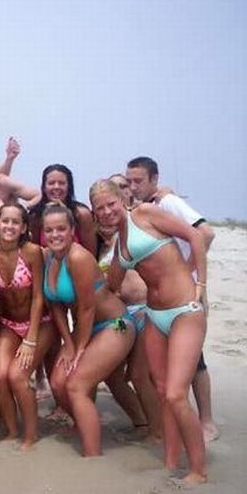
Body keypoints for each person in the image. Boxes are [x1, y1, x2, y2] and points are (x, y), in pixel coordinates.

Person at [90, 179, 208, 485]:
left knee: (176, 394)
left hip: (184, 311)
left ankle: (198, 470)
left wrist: (199, 282)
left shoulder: (144, 214)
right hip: (154, 316)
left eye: (110, 203)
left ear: (121, 199)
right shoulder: (120, 244)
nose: (107, 211)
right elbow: (112, 285)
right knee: (162, 391)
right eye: (100, 208)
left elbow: (196, 235)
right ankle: (171, 460)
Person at [126, 156, 219, 443]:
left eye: (139, 181)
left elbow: (205, 233)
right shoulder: (143, 209)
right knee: (172, 368)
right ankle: (181, 423)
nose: (133, 186)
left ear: (154, 179)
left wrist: (190, 274)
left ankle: (206, 421)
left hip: (187, 296)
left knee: (195, 362)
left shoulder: (167, 202)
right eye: (129, 181)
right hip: (162, 302)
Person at [42, 204, 136, 457]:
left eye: (61, 229)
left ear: (72, 230)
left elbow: (86, 308)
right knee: (57, 383)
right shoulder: (48, 257)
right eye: (49, 230)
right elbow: (55, 305)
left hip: (114, 324)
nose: (55, 235)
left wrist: (79, 348)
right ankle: (86, 423)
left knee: (76, 385)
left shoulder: (78, 257)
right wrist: (68, 343)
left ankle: (92, 455)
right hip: (88, 328)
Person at [0, 204, 55, 449]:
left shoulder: (32, 252)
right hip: (9, 324)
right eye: (5, 221)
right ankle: (12, 429)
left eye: (16, 222)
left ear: (24, 227)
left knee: (17, 376)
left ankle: (31, 434)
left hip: (40, 323)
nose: (10, 226)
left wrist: (30, 339)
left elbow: (38, 297)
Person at [95, 204, 162, 441]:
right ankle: (142, 422)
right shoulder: (98, 247)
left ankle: (157, 432)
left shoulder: (127, 237)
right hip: (122, 319)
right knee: (113, 374)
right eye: (99, 216)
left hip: (142, 311)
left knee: (139, 374)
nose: (105, 220)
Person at [29, 164, 97, 255]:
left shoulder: (82, 214)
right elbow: (34, 253)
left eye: (61, 183)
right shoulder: (35, 216)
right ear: (44, 188)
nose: (56, 187)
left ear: (69, 187)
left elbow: (91, 254)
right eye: (51, 183)